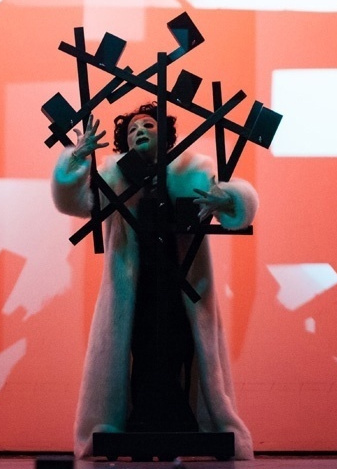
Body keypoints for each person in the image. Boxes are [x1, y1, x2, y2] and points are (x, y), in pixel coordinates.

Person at [51, 102, 257, 459]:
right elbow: (76, 202)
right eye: (132, 130)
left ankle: (180, 418)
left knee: (180, 345)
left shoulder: (193, 169)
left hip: (181, 281)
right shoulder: (114, 173)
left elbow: (234, 199)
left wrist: (228, 200)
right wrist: (75, 161)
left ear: (166, 134)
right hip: (136, 286)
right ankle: (141, 419)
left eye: (148, 125)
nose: (140, 132)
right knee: (141, 347)